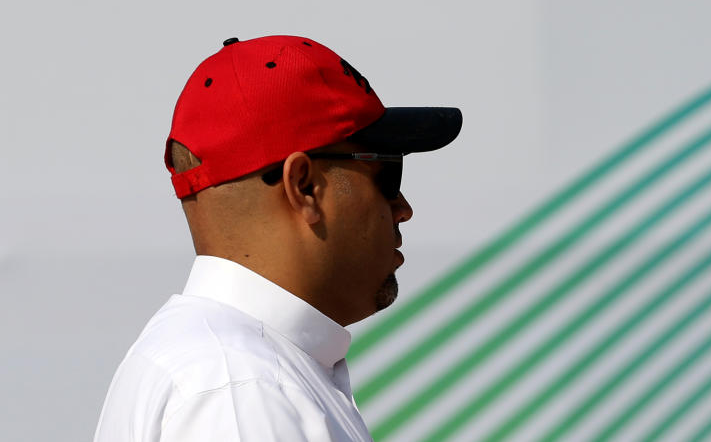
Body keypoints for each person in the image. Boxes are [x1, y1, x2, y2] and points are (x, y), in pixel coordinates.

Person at [94, 35, 462, 441]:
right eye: (388, 175)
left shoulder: (227, 366)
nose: (403, 208)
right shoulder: (243, 388)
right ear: (303, 186)